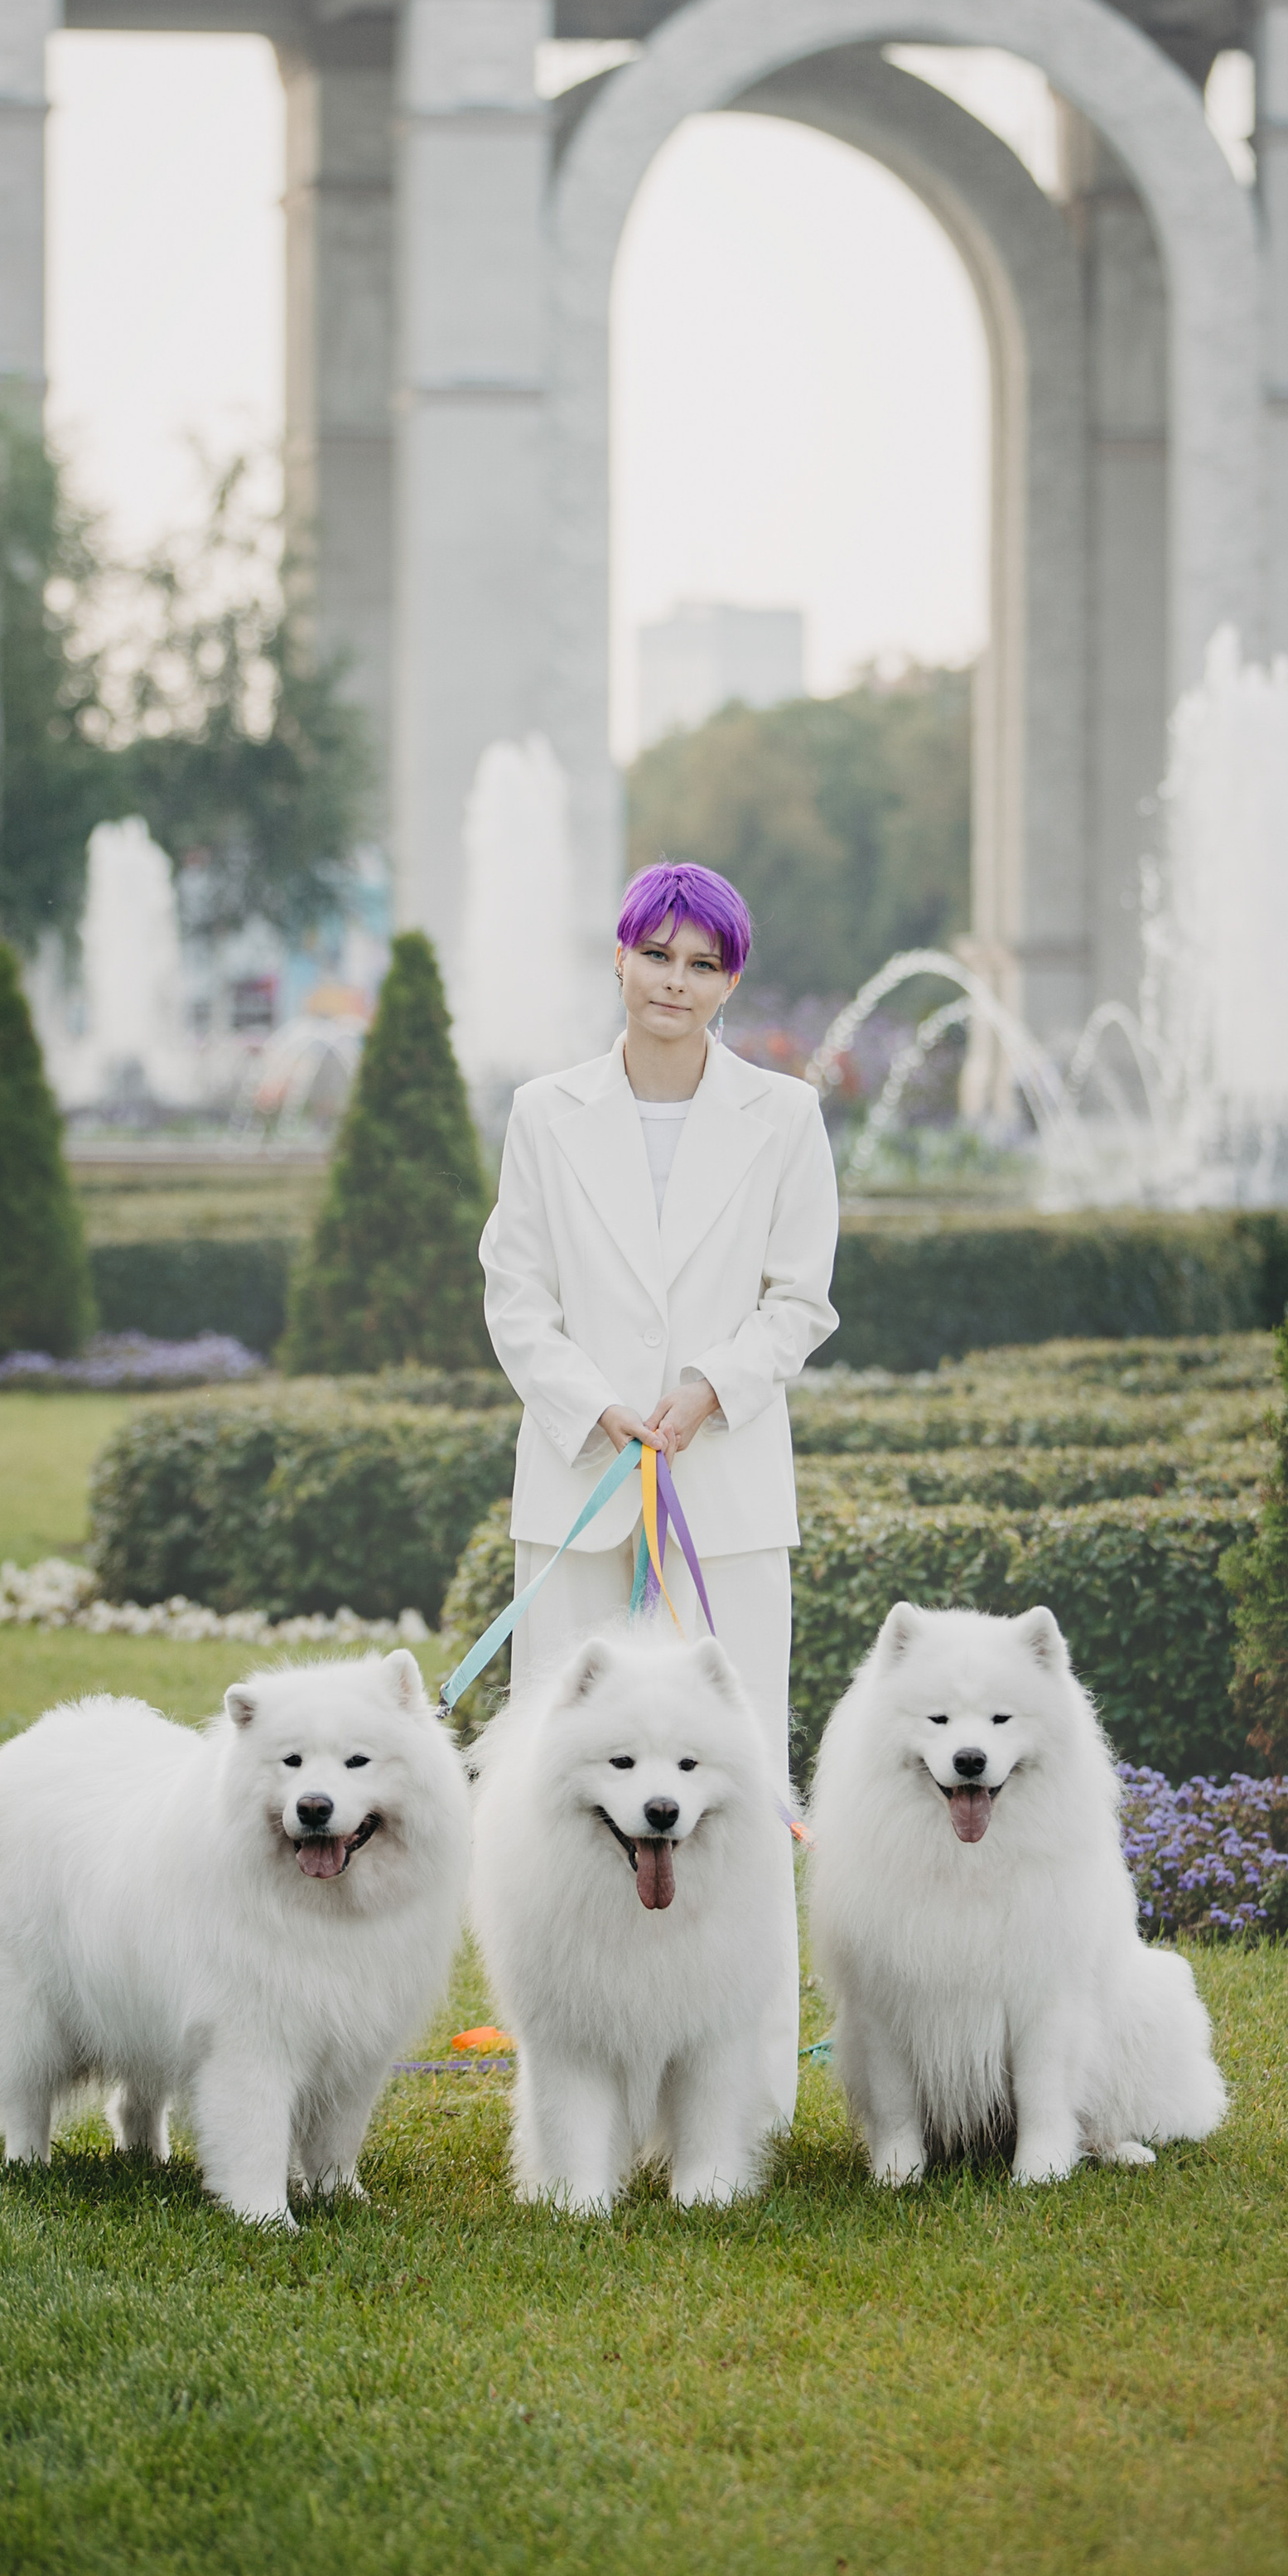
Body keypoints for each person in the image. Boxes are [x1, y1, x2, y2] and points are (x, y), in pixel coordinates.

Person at [478, 859, 840, 2114]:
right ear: (621, 962)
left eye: (702, 964)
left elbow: (801, 1297)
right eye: (656, 957)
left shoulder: (785, 1116)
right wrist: (594, 1405)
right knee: (565, 1785)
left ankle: (743, 2090)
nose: (674, 983)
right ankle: (577, 2087)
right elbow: (516, 1295)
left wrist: (708, 1389)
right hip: (580, 1486)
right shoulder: (545, 1112)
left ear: (730, 982)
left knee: (737, 1779)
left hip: (722, 1496)